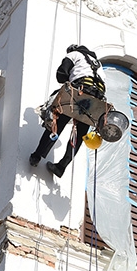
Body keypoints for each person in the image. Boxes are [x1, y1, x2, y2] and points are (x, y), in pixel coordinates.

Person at [29, 45, 106, 177]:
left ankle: (37, 156)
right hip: (96, 98)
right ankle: (61, 167)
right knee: (80, 134)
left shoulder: (74, 54)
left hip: (79, 91)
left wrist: (68, 82)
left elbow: (62, 74)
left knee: (56, 123)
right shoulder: (98, 64)